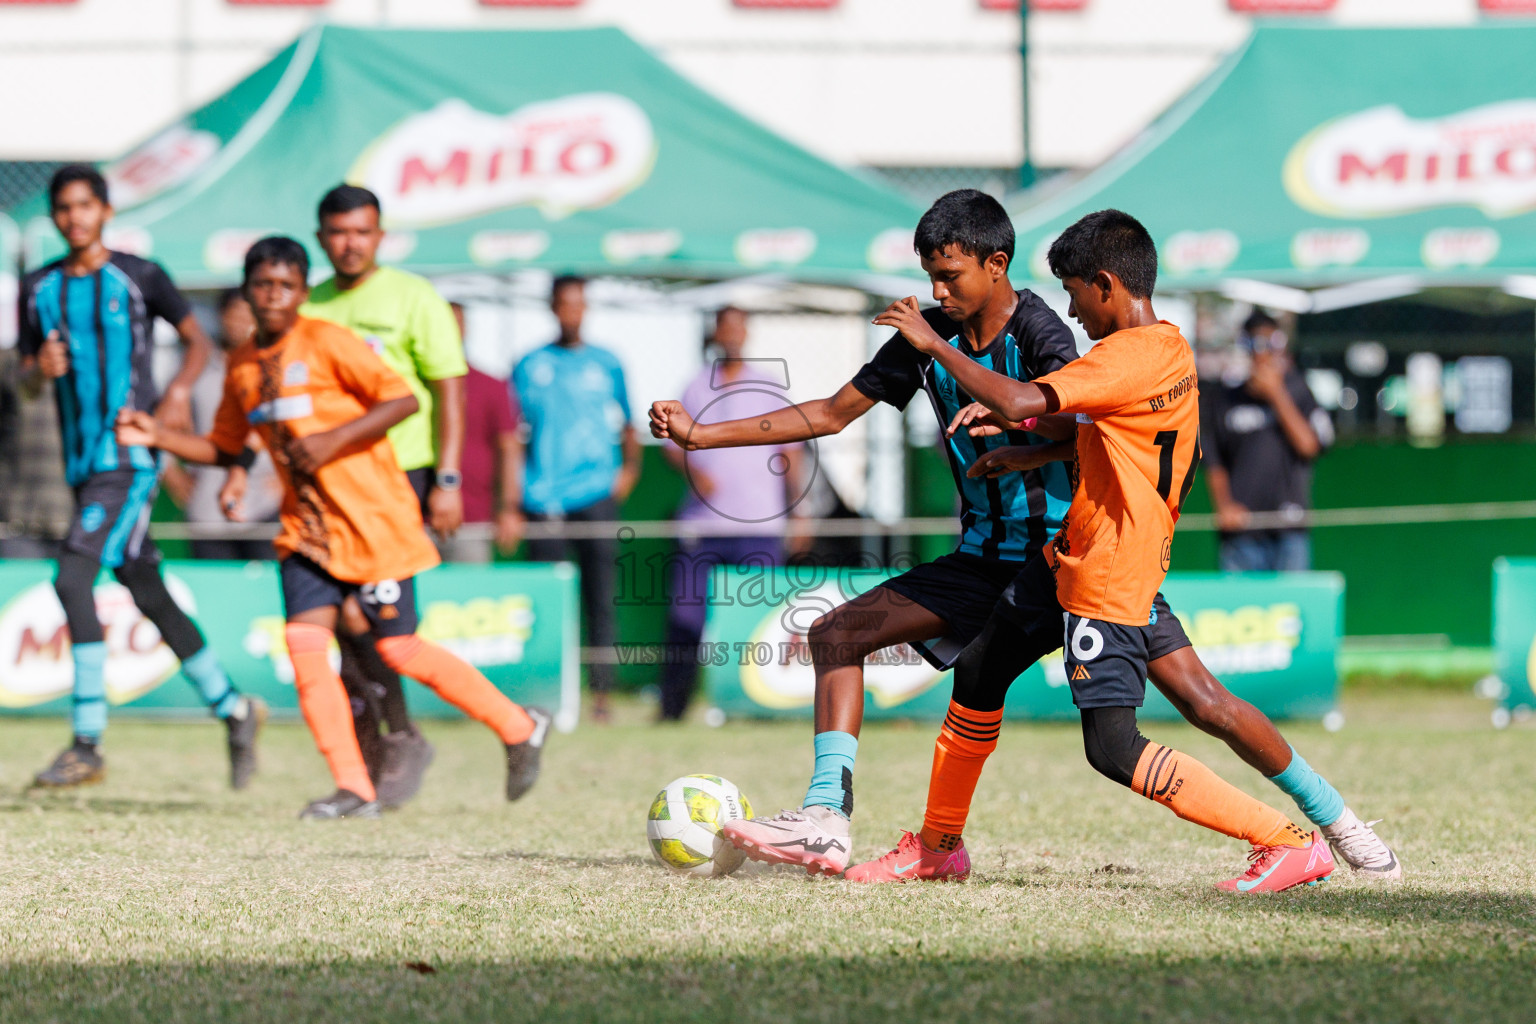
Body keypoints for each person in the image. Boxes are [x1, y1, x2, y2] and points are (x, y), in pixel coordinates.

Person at [651, 192, 1397, 886]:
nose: (938, 292)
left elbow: (1044, 403)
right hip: (1030, 560)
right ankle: (886, 834)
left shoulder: (1055, 337)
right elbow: (832, 413)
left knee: (1132, 736)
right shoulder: (1140, 349)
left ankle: (1293, 837)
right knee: (898, 651)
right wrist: (702, 435)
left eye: (949, 276)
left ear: (997, 264)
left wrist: (998, 402)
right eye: (930, 278)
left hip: (1081, 561)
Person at [858, 209, 1392, 892]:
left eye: (1075, 293)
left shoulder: (1120, 358)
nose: (1071, 312)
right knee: (999, 672)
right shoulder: (1170, 349)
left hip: (1105, 574)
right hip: (1088, 553)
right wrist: (1034, 453)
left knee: (1113, 747)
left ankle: (1288, 842)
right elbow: (1121, 440)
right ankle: (1339, 819)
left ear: (1106, 285)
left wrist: (933, 343)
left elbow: (1019, 399)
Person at [116, 236, 552, 820]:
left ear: (303, 292)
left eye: (286, 286)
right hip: (307, 531)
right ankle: (354, 788)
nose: (274, 296)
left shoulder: (329, 341)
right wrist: (159, 436)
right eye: (263, 285)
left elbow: (401, 400)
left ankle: (520, 725)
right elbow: (226, 445)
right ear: (247, 291)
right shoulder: (243, 365)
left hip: (373, 521)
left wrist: (331, 440)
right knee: (304, 646)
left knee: (398, 647)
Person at [16, 164, 264, 790]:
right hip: (81, 466)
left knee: (73, 578)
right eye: (64, 208)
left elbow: (198, 342)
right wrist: (38, 369)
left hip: (127, 457)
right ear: (53, 216)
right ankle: (235, 709)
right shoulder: (38, 287)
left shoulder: (139, 275)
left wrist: (177, 392)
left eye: (85, 205)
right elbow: (25, 380)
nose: (75, 218)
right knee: (146, 589)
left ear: (106, 210)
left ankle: (87, 742)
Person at [295, 184, 467, 805]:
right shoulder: (307, 304)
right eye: (339, 232)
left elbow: (448, 392)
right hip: (330, 488)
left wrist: (448, 479)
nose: (350, 243)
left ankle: (400, 738)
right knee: (341, 621)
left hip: (400, 480)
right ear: (321, 238)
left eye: (362, 232)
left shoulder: (414, 297)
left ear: (380, 236)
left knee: (381, 621)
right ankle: (378, 746)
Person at [658, 306, 805, 721]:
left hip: (760, 523)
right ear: (716, 334)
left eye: (739, 328)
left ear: (747, 333)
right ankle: (673, 708)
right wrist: (695, 469)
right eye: (726, 328)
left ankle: (757, 708)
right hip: (703, 525)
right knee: (685, 618)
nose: (733, 335)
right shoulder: (694, 386)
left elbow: (792, 452)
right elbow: (671, 446)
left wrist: (800, 511)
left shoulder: (769, 385)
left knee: (758, 622)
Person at [513, 275, 641, 724]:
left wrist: (627, 472)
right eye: (564, 304)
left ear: (586, 308)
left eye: (579, 304)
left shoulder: (607, 362)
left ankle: (602, 695)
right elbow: (512, 432)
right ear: (552, 307)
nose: (572, 312)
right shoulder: (529, 363)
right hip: (543, 496)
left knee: (600, 597)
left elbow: (630, 422)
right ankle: (546, 694)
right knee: (548, 602)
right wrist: (515, 494)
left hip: (595, 494)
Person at [1202, 310, 1333, 572]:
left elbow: (1309, 446)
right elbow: (1214, 461)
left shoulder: (1298, 392)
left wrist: (1276, 394)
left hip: (1289, 529)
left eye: (1269, 343)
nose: (1261, 352)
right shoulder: (1224, 400)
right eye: (1254, 343)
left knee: (1293, 597)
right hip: (1241, 533)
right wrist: (1224, 505)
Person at [162, 288, 281, 561]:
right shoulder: (195, 367)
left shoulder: (274, 367)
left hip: (264, 505)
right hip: (207, 506)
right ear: (221, 316)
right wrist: (171, 473)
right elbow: (164, 422)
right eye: (234, 315)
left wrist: (287, 480)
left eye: (248, 316)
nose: (240, 323)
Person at [439, 302, 523, 564]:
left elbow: (509, 448)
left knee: (471, 589)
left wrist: (509, 507)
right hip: (419, 522)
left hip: (473, 521)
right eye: (443, 325)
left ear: (465, 329)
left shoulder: (491, 386)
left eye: (456, 324)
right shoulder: (413, 384)